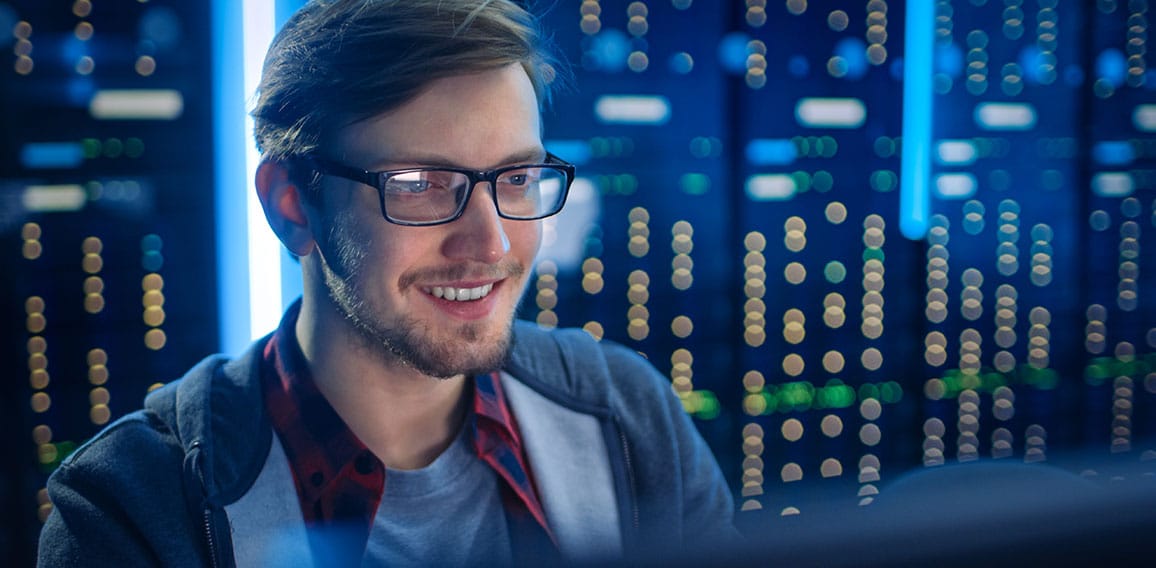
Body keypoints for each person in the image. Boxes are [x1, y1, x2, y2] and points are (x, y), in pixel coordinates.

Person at [38, 0, 736, 565]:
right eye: (421, 184)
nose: (490, 243)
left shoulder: (625, 412)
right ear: (290, 204)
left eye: (516, 179)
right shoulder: (131, 512)